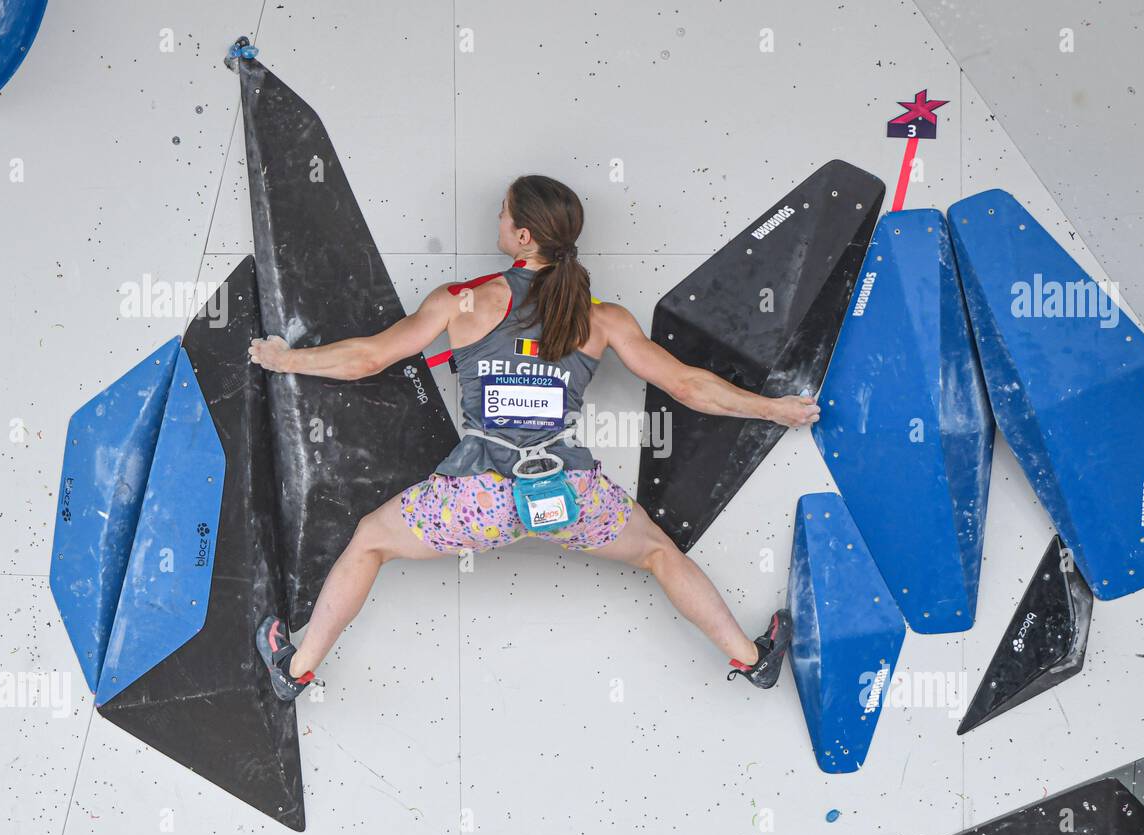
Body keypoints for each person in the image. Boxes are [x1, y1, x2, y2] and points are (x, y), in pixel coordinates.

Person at [248, 175, 817, 702]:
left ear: (521, 235)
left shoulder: (461, 303)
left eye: (501, 214)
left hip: (481, 499)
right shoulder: (603, 318)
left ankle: (295, 671)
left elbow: (370, 357)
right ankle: (750, 659)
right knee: (657, 553)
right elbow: (688, 386)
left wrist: (285, 359)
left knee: (371, 539)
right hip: (570, 497)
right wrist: (773, 408)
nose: (495, 220)